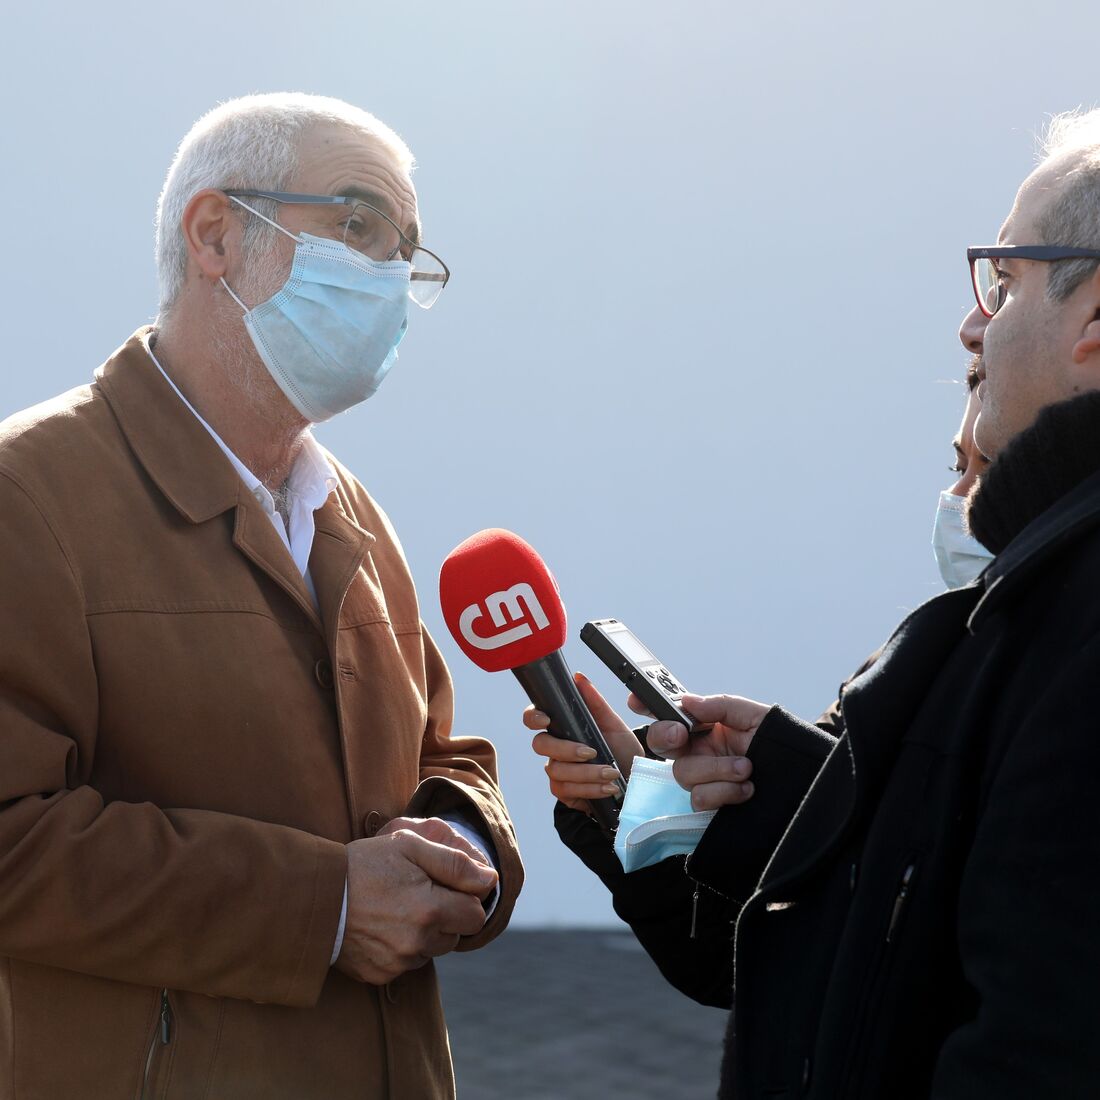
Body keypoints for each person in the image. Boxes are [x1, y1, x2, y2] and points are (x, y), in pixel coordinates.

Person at [529, 108, 1100, 1097]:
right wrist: (771, 784)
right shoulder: (1012, 614)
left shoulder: (1068, 625)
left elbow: (1039, 1035)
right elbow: (871, 950)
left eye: (1002, 281)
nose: (971, 324)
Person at [0, 93, 522, 1099]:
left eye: (403, 253)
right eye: (357, 225)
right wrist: (323, 906)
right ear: (214, 235)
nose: (385, 277)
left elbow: (439, 756)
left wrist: (460, 840)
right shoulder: (30, 496)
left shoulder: (350, 512)